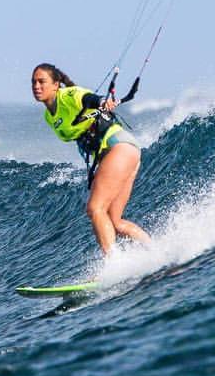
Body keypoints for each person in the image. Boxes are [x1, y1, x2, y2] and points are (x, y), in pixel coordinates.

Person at [31, 63, 152, 255]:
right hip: (120, 153)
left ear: (56, 85)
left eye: (41, 81)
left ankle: (113, 263)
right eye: (33, 82)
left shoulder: (69, 95)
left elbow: (90, 98)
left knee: (95, 208)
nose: (36, 86)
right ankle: (155, 252)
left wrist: (104, 103)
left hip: (118, 146)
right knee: (115, 222)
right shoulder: (49, 116)